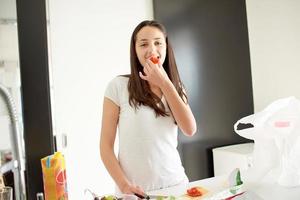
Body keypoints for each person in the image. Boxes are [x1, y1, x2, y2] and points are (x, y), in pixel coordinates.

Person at [100, 20, 197, 196]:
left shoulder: (176, 87)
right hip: (134, 192)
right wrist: (124, 186)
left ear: (166, 47)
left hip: (175, 186)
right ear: (135, 50)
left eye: (158, 43)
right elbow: (105, 147)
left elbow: (190, 129)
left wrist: (165, 83)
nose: (152, 49)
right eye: (144, 44)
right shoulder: (118, 86)